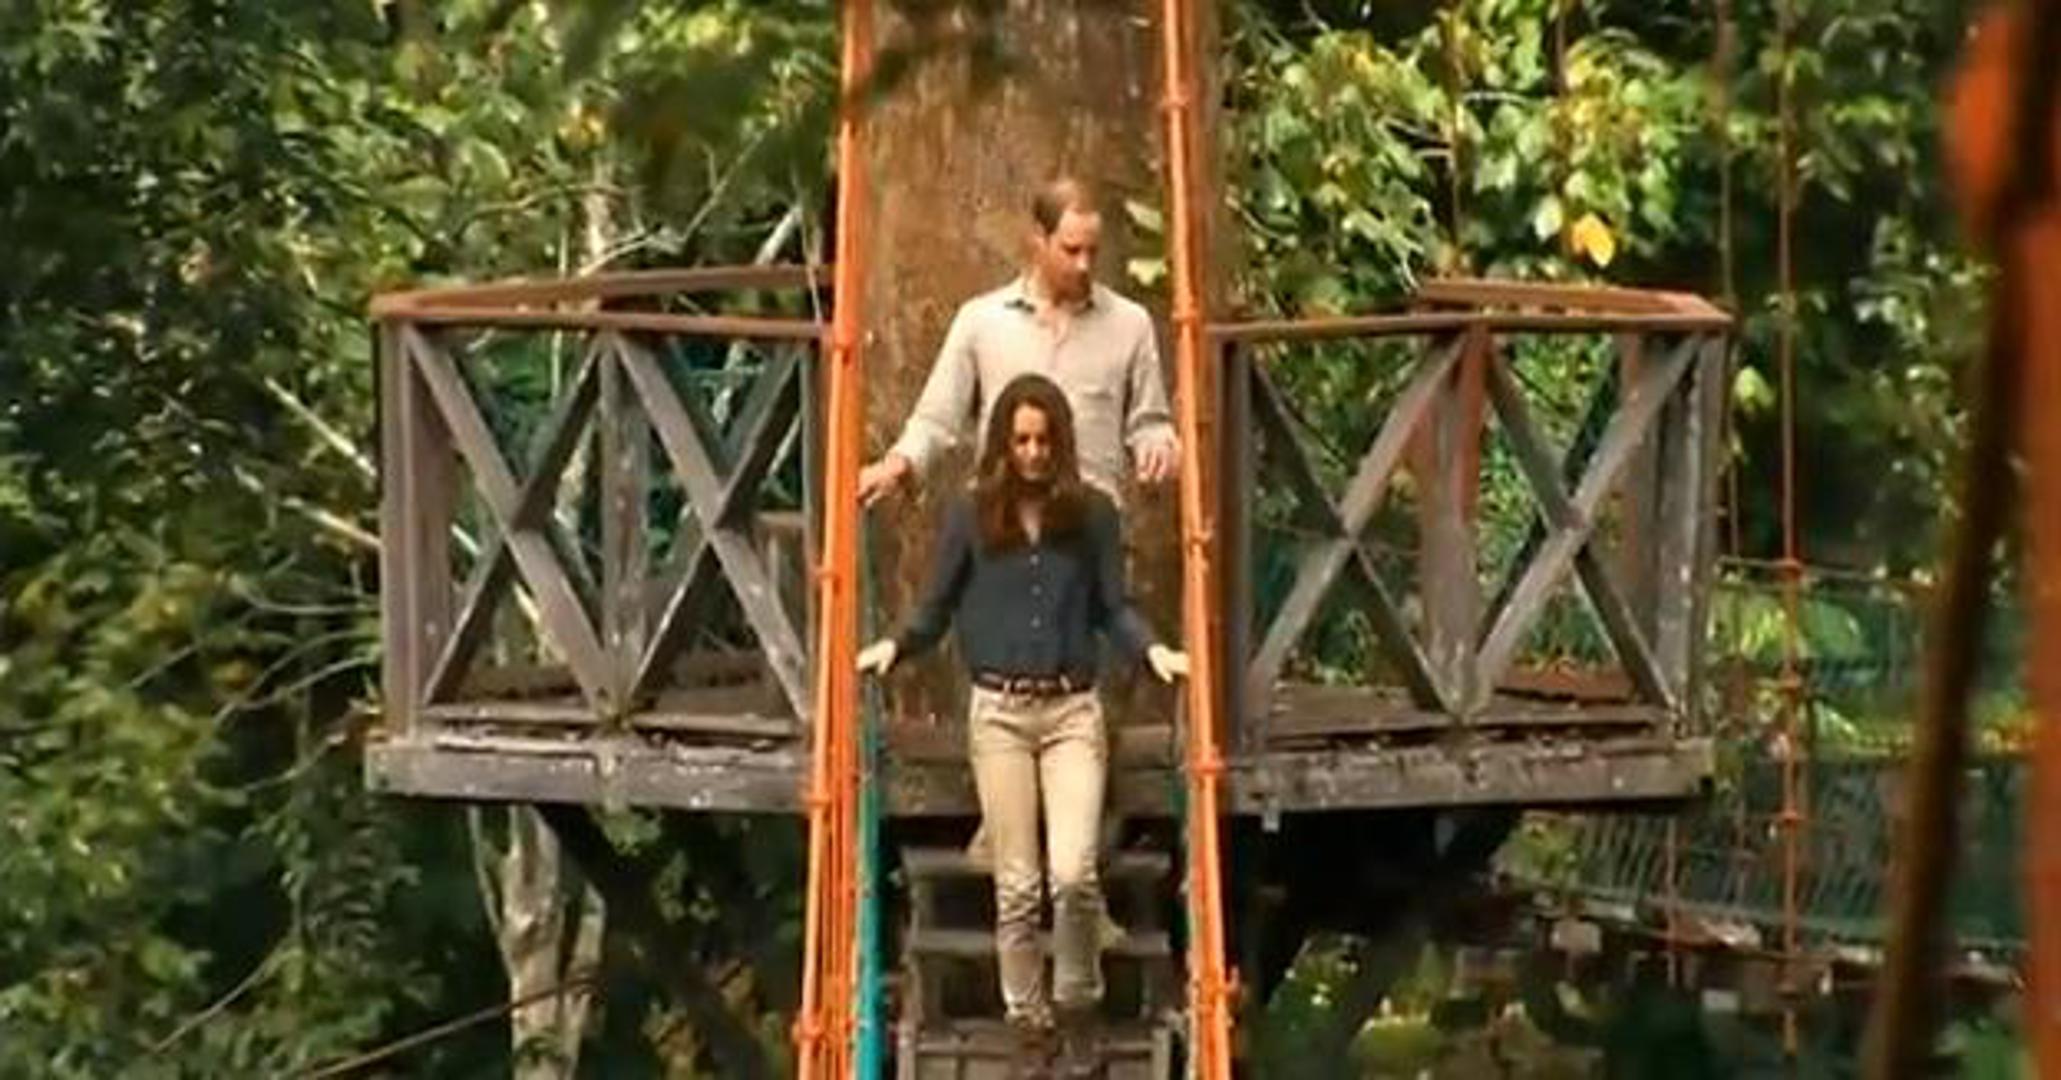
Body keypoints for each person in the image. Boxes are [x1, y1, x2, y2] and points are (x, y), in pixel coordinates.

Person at [858, 375, 1187, 1076]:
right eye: (1022, 441)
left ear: (1060, 443)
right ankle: (1028, 1023)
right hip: (1000, 714)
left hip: (1070, 711)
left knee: (1072, 875)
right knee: (1016, 886)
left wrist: (1154, 651)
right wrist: (895, 645)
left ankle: (1077, 1006)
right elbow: (937, 604)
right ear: (1004, 445)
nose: (1034, 453)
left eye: (1043, 441)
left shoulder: (1092, 515)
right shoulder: (971, 515)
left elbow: (1113, 606)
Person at [856, 176, 1180, 507]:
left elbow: (1150, 423)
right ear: (1039, 240)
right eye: (1071, 250)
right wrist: (899, 464)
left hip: (1090, 519)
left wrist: (1158, 448)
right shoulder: (982, 321)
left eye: (1092, 252)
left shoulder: (1129, 324)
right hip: (1002, 519)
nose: (1083, 265)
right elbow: (936, 419)